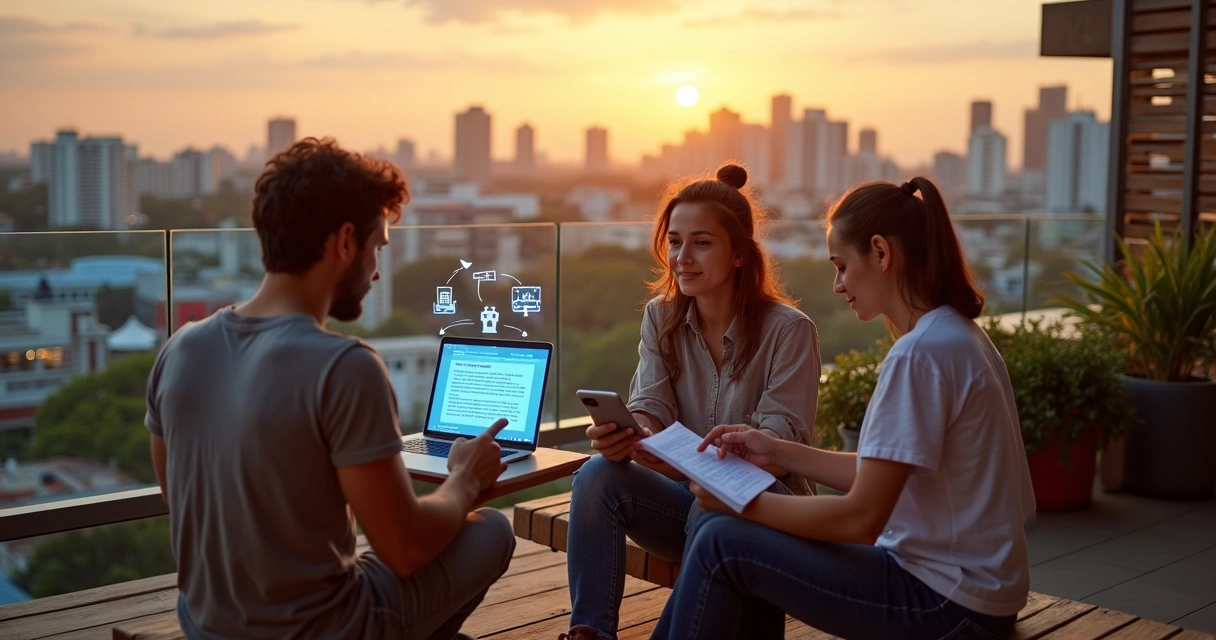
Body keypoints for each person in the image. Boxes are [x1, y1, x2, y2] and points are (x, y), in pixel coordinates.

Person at [145, 138, 515, 640]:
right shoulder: (344, 366)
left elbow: (180, 498)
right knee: (493, 530)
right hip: (330, 629)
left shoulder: (179, 349)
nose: (377, 269)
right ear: (345, 241)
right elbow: (404, 550)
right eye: (377, 246)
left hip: (207, 626)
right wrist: (464, 479)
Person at [650, 177, 1037, 640]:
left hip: (948, 605)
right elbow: (878, 473)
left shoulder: (920, 355)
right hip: (974, 592)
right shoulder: (959, 336)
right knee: (723, 535)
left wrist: (743, 502)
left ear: (881, 253)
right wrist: (778, 451)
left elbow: (861, 518)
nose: (837, 285)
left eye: (842, 266)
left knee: (721, 541)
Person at [560, 164, 822, 640]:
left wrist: (693, 464)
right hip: (691, 502)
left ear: (739, 253)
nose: (683, 257)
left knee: (713, 501)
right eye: (675, 241)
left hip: (771, 508)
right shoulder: (659, 317)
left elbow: (780, 440)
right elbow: (650, 403)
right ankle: (590, 633)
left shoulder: (789, 331)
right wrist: (633, 434)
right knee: (596, 475)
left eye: (701, 243)